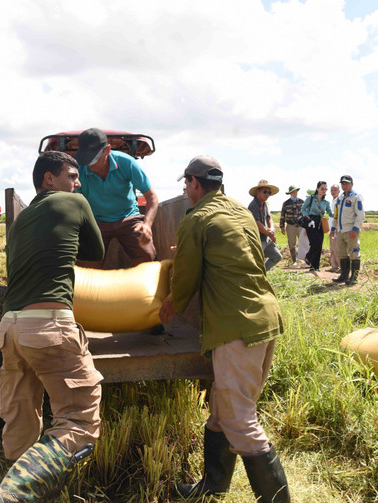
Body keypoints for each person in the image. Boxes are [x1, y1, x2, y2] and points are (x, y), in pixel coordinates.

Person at [160, 156, 290, 503]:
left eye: (186, 183)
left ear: (195, 183)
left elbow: (186, 279)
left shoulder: (196, 219)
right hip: (263, 317)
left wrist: (172, 302)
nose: (185, 189)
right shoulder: (240, 213)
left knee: (239, 419)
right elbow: (236, 256)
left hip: (237, 326)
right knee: (222, 409)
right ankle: (213, 486)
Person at [0, 151, 105, 502]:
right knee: (79, 422)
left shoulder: (19, 222)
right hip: (48, 327)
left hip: (10, 328)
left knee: (20, 420)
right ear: (49, 179)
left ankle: (14, 488)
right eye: (72, 176)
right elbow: (96, 251)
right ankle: (10, 496)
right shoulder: (74, 202)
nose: (77, 183)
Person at [74, 128, 159, 267]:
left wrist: (147, 225)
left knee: (147, 254)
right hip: (95, 221)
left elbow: (151, 197)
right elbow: (74, 205)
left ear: (107, 150)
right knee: (86, 263)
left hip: (128, 217)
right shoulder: (78, 170)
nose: (90, 164)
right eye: (86, 159)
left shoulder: (126, 163)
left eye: (94, 159)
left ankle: (129, 280)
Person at [331, 175, 365, 285]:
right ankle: (344, 276)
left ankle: (354, 277)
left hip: (351, 230)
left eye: (347, 183)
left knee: (354, 253)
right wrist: (333, 228)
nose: (344, 185)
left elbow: (360, 215)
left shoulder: (356, 197)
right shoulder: (340, 198)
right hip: (340, 230)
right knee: (342, 254)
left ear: (352, 184)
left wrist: (355, 229)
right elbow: (336, 216)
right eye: (343, 183)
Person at [248, 179, 283, 271]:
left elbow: (269, 218)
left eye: (269, 192)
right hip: (257, 240)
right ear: (258, 192)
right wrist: (269, 233)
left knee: (277, 256)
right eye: (265, 192)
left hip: (265, 238)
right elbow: (257, 223)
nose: (267, 194)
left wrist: (272, 229)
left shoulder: (264, 204)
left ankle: (262, 274)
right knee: (256, 262)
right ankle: (256, 276)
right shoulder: (253, 205)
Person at [301, 181, 332, 272]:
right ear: (317, 189)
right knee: (315, 243)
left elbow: (330, 213)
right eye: (322, 188)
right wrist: (308, 217)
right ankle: (308, 256)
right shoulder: (310, 198)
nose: (324, 190)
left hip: (320, 223)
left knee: (319, 244)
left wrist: (339, 213)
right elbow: (303, 208)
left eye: (326, 189)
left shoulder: (326, 202)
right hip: (311, 221)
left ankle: (315, 266)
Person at [279, 185, 304, 266]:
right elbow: (282, 216)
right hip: (290, 226)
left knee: (303, 242)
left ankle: (304, 260)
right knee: (291, 243)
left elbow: (305, 214)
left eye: (295, 191)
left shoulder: (302, 202)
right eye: (293, 192)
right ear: (290, 193)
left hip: (300, 225)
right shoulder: (286, 203)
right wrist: (282, 227)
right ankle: (294, 261)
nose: (294, 193)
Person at [328, 184, 341, 273]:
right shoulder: (332, 201)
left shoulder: (339, 201)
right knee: (332, 249)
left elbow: (338, 216)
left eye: (335, 190)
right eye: (332, 190)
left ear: (339, 191)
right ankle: (334, 266)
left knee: (337, 249)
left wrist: (336, 228)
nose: (333, 192)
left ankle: (340, 267)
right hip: (331, 228)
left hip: (336, 228)